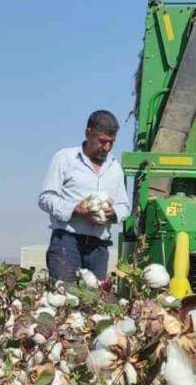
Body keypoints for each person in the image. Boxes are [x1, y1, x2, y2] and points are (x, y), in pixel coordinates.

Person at [37, 110, 131, 283]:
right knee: (66, 298)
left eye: (111, 142)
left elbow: (124, 205)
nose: (107, 147)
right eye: (102, 141)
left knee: (94, 303)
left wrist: (114, 213)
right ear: (88, 133)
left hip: (98, 248)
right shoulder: (65, 159)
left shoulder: (115, 168)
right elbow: (46, 198)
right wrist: (75, 209)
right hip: (67, 242)